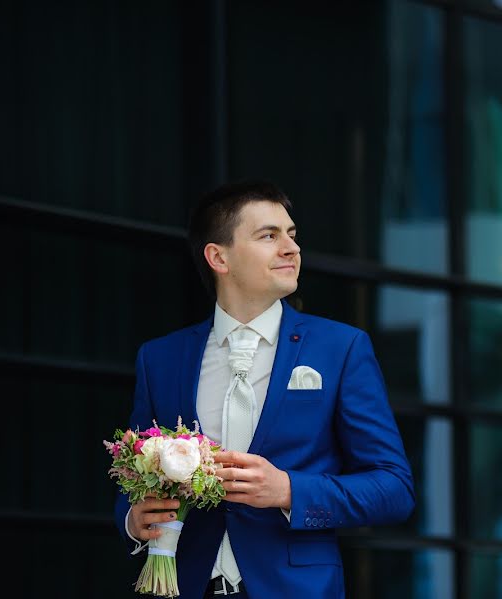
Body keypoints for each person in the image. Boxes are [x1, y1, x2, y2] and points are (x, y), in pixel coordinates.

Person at [114, 180, 415, 598]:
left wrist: (288, 490)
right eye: (269, 236)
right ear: (218, 256)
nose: (291, 248)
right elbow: (130, 477)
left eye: (291, 235)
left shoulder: (341, 349)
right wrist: (133, 518)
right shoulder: (160, 358)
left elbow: (394, 489)